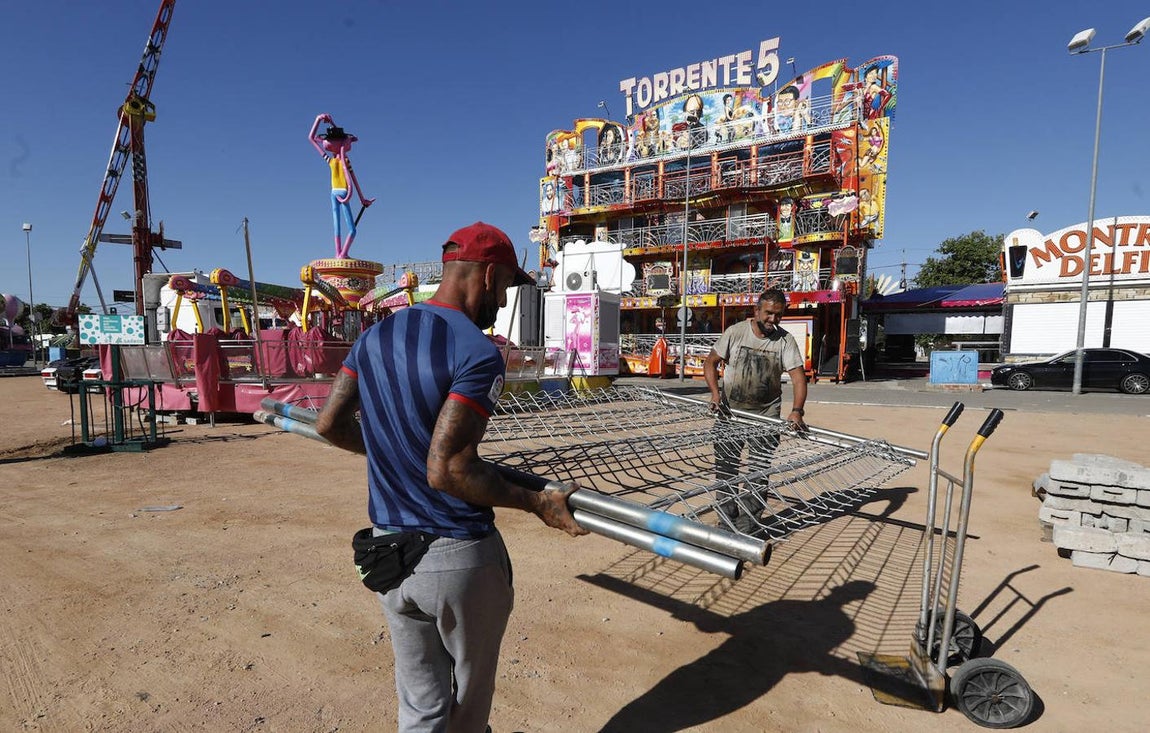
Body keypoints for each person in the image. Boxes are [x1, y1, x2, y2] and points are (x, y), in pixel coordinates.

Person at [316, 221, 587, 733]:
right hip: (454, 555)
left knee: (421, 708)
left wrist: (393, 452)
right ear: (487, 276)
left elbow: (330, 424)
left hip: (387, 552)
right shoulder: (476, 352)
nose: (503, 301)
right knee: (468, 708)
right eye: (505, 286)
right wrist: (536, 503)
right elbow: (449, 469)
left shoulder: (374, 337)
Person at [703, 289, 807, 532]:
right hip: (729, 412)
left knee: (758, 471)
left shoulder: (785, 341)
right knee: (726, 468)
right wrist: (716, 394)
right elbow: (711, 362)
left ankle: (748, 523)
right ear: (756, 311)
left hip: (766, 414)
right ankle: (727, 521)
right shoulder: (736, 332)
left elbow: (798, 379)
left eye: (778, 315)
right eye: (768, 313)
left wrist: (797, 410)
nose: (773, 319)